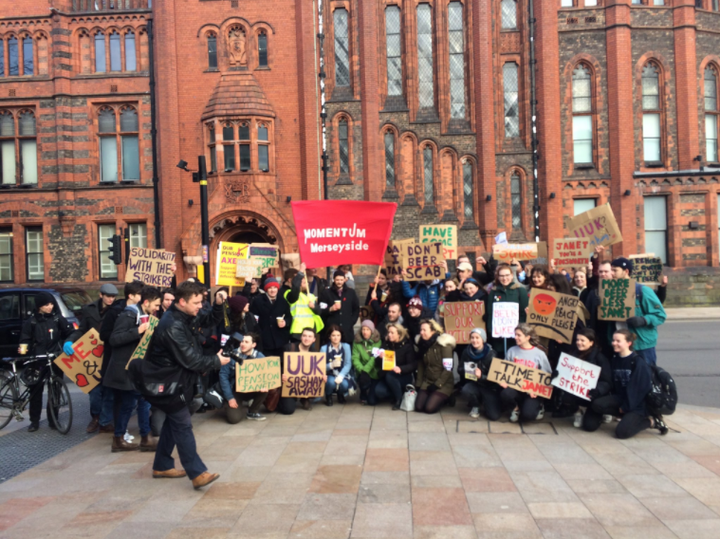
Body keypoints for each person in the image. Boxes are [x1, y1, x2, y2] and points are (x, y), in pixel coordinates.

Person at [146, 280, 229, 489]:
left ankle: (162, 465)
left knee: (174, 423)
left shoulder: (185, 315)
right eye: (197, 302)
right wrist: (217, 361)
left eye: (202, 301)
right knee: (182, 424)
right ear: (182, 302)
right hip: (166, 381)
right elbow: (191, 360)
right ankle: (197, 473)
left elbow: (209, 318)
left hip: (175, 380)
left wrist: (218, 304)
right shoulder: (172, 325)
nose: (200, 306)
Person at [105, 285, 162, 452]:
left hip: (136, 367)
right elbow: (114, 339)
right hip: (125, 368)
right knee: (139, 401)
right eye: (156, 305)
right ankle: (143, 437)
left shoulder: (144, 315)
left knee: (131, 403)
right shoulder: (129, 315)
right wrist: (138, 330)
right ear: (146, 302)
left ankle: (122, 438)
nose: (157, 309)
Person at [582, 330, 667, 438]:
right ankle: (623, 415)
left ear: (628, 343)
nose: (614, 343)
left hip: (637, 404)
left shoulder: (638, 362)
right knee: (596, 405)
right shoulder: (614, 359)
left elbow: (640, 390)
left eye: (618, 341)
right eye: (613, 340)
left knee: (622, 433)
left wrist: (626, 407)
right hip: (620, 398)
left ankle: (651, 421)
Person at [64, 282, 118, 433]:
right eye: (108, 296)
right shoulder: (89, 309)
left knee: (109, 391)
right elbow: (82, 330)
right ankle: (95, 417)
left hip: (108, 354)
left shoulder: (116, 310)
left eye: (113, 296)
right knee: (94, 391)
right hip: (92, 354)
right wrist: (70, 341)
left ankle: (105, 421)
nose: (111, 299)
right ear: (101, 295)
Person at [18, 291, 74, 432]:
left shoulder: (57, 319)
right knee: (35, 391)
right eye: (46, 305)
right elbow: (25, 339)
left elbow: (70, 332)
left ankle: (53, 420)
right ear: (39, 306)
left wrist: (68, 342)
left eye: (51, 304)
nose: (50, 307)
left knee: (55, 389)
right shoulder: (31, 322)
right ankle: (34, 421)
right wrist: (25, 349)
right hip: (38, 360)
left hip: (55, 358)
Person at [610, 257, 666, 366]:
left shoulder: (642, 291)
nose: (611, 273)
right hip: (620, 345)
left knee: (646, 377)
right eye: (611, 270)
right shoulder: (610, 292)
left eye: (615, 270)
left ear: (626, 271)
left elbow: (660, 315)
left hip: (641, 345)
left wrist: (643, 320)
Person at [552, 328, 612, 428]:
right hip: (577, 392)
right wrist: (556, 374)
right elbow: (565, 374)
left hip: (594, 396)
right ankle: (578, 412)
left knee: (589, 426)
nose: (579, 343)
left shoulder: (600, 358)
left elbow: (607, 381)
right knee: (566, 397)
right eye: (577, 340)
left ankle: (601, 412)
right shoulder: (572, 355)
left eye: (582, 340)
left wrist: (598, 390)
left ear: (591, 343)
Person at [499, 324, 552, 423]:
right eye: (515, 334)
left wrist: (537, 390)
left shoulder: (539, 354)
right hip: (516, 389)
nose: (515, 337)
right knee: (505, 394)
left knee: (528, 416)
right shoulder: (511, 351)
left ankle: (540, 406)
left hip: (531, 392)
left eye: (519, 335)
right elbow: (504, 371)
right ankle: (515, 408)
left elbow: (546, 376)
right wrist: (503, 380)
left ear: (528, 337)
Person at [218, 333, 268, 422]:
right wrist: (229, 398)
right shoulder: (231, 355)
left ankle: (253, 411)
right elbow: (223, 376)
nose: (243, 344)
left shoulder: (260, 356)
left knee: (266, 388)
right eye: (242, 341)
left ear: (253, 345)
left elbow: (268, 374)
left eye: (246, 342)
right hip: (235, 390)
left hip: (253, 388)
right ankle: (229, 404)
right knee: (234, 419)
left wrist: (264, 384)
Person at [485, 264, 529, 357]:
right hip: (498, 335)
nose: (504, 278)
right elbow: (489, 312)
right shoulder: (494, 291)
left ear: (512, 275)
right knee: (499, 358)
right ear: (498, 277)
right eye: (501, 276)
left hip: (515, 335)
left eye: (507, 275)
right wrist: (490, 329)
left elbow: (523, 313)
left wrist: (520, 331)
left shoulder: (520, 290)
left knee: (514, 358)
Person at [276, 327, 323, 413]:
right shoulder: (289, 348)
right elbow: (277, 365)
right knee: (288, 410)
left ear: (314, 339)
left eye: (310, 336)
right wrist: (281, 374)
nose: (307, 338)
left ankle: (305, 397)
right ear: (301, 337)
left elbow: (316, 371)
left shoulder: (314, 352)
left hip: (302, 384)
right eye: (304, 336)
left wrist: (322, 377)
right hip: (287, 384)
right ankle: (282, 400)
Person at [415, 319, 456, 414]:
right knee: (418, 407)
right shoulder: (422, 344)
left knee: (429, 409)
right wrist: (418, 384)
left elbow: (448, 369)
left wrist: (437, 385)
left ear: (433, 331)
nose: (421, 333)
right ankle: (434, 396)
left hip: (443, 382)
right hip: (428, 381)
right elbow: (421, 366)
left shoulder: (444, 345)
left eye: (424, 330)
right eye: (421, 330)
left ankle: (448, 397)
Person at [458, 328, 499, 420]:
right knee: (466, 390)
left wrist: (481, 376)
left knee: (494, 416)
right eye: (472, 337)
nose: (474, 340)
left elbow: (495, 378)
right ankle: (475, 405)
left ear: (483, 339)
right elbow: (459, 369)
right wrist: (467, 370)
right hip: (474, 383)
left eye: (477, 337)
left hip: (488, 386)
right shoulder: (466, 352)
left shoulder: (491, 354)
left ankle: (486, 401)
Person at [375, 323, 417, 410]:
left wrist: (401, 369)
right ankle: (396, 393)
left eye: (392, 333)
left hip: (403, 376)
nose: (389, 335)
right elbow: (378, 364)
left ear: (399, 334)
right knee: (379, 391)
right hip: (387, 375)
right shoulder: (386, 344)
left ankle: (399, 399)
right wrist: (380, 358)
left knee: (390, 376)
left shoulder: (407, 346)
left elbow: (413, 365)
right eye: (388, 332)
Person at [250, 277, 292, 358]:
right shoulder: (258, 301)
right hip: (265, 340)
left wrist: (285, 322)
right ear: (266, 289)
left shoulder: (282, 301)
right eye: (270, 288)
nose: (273, 290)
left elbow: (289, 317)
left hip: (280, 340)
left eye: (275, 287)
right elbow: (253, 320)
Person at [285, 263, 324, 341]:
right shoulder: (290, 293)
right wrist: (301, 272)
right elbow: (295, 288)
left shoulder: (310, 295)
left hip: (311, 330)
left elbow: (319, 312)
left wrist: (314, 307)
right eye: (303, 282)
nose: (306, 283)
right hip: (298, 330)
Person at [320, 269, 360, 344]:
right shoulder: (326, 293)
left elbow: (356, 309)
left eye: (341, 280)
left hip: (347, 331)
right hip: (331, 331)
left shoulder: (351, 292)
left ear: (345, 280)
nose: (339, 282)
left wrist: (351, 321)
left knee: (347, 352)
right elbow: (321, 310)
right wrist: (330, 309)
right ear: (333, 280)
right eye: (337, 280)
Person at [352, 320, 382, 405]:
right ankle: (363, 391)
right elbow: (355, 358)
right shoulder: (356, 342)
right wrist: (362, 371)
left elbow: (373, 358)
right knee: (363, 380)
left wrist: (365, 371)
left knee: (372, 401)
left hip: (373, 371)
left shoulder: (377, 341)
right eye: (363, 329)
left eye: (367, 330)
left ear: (372, 331)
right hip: (361, 371)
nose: (365, 332)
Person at [320, 325, 352, 406]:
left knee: (345, 385)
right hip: (330, 373)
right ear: (329, 336)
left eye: (338, 335)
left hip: (342, 372)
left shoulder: (346, 347)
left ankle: (340, 394)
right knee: (331, 382)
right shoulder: (324, 348)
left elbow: (348, 363)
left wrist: (341, 375)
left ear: (341, 336)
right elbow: (320, 366)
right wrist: (331, 365)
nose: (336, 338)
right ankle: (328, 395)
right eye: (333, 335)